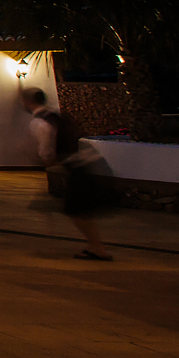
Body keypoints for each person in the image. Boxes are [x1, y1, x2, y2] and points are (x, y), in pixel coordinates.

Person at [27, 87, 112, 259]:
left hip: (76, 167)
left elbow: (47, 153)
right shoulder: (58, 116)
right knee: (78, 210)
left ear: (29, 102)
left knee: (76, 211)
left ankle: (98, 249)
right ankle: (95, 247)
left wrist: (43, 161)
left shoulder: (40, 122)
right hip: (88, 163)